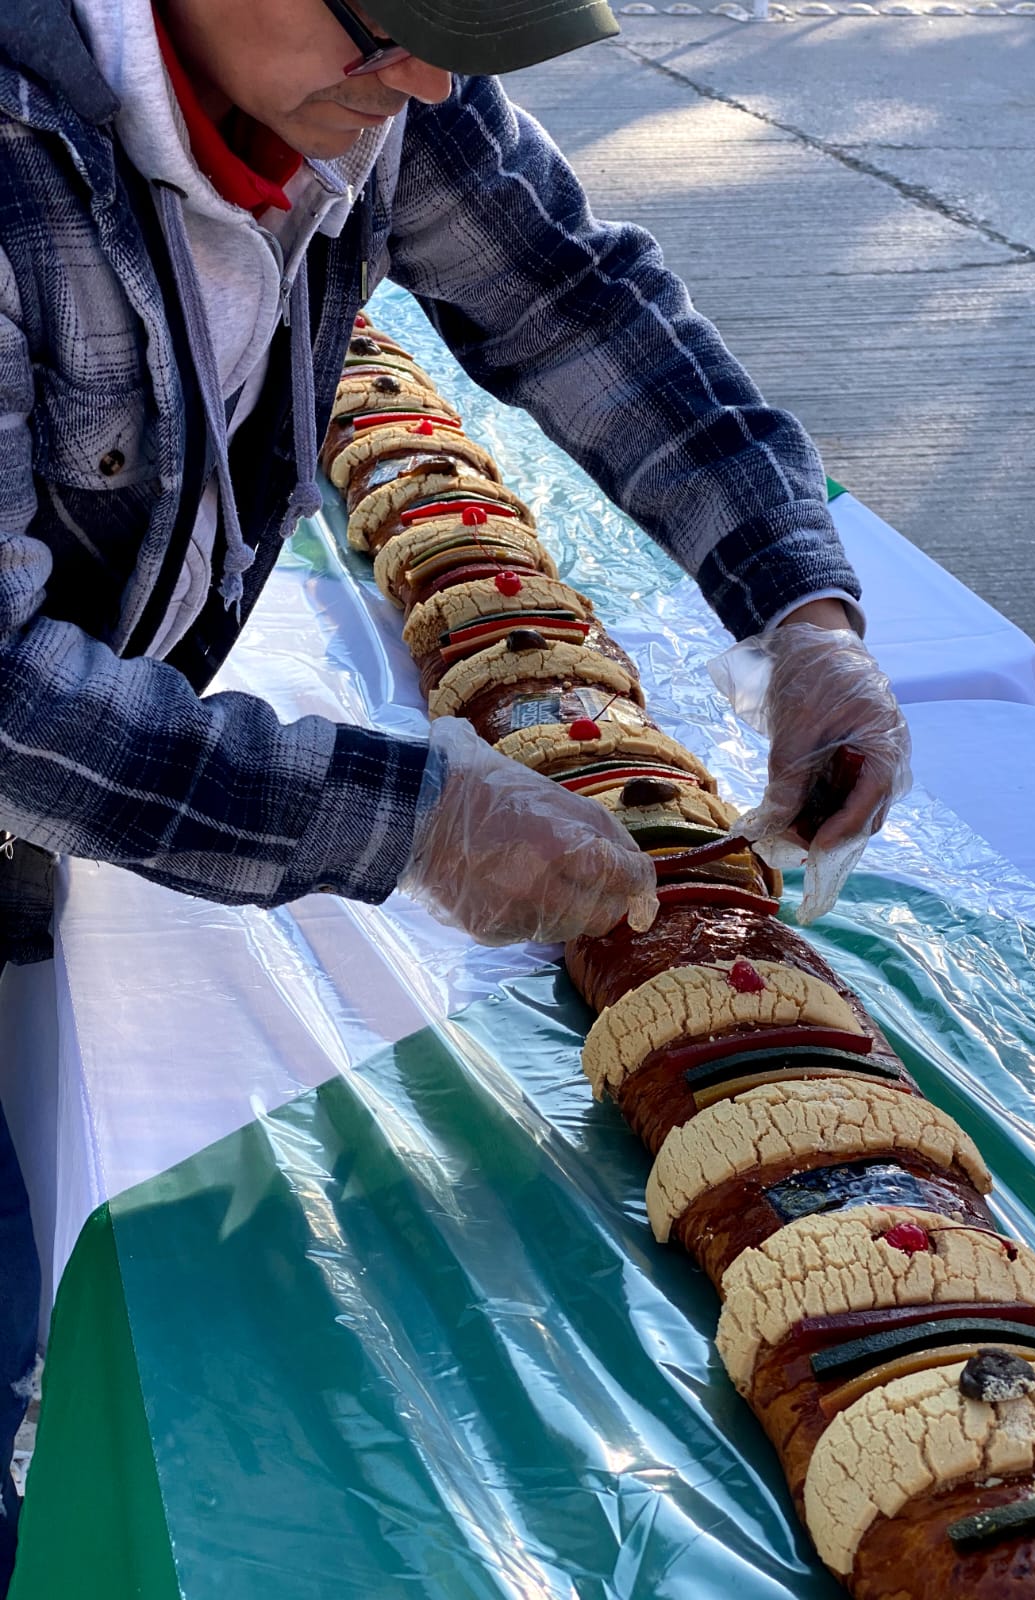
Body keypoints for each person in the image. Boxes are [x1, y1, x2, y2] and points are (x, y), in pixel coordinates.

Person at [0, 0, 910, 1582]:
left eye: (467, 36)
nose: (424, 80)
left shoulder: (376, 81)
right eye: (394, 23)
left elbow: (576, 302)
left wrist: (799, 607)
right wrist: (400, 816)